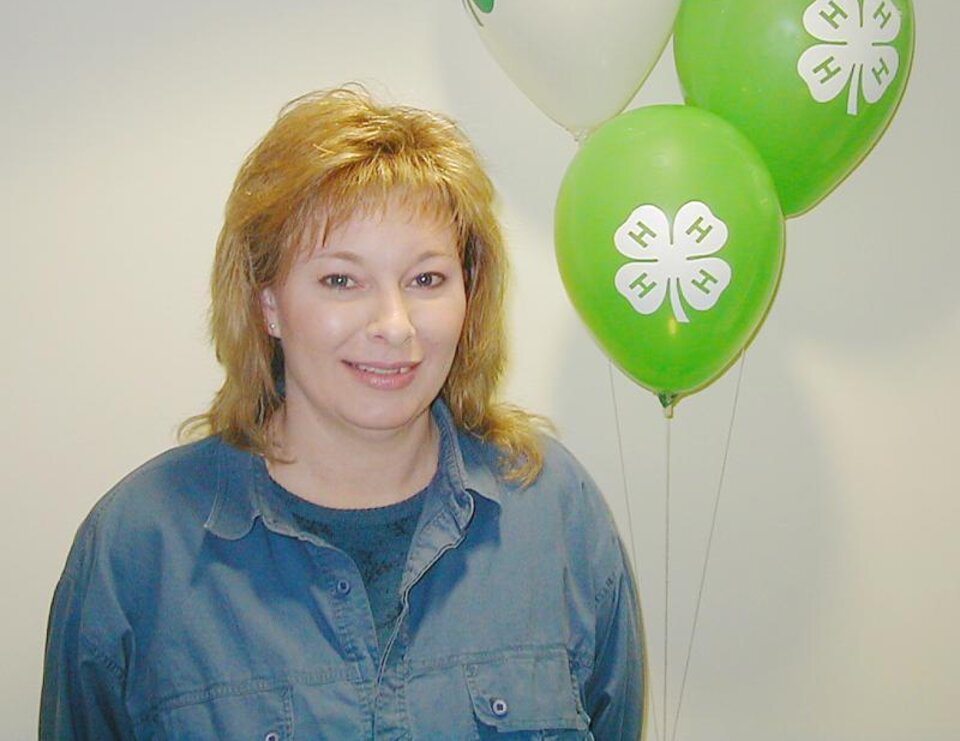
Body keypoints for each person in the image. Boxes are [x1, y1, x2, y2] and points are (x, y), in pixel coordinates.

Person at [40, 86, 644, 739]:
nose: (394, 325)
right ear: (267, 300)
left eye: (426, 279)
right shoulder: (136, 550)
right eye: (340, 280)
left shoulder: (555, 515)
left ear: (471, 293)